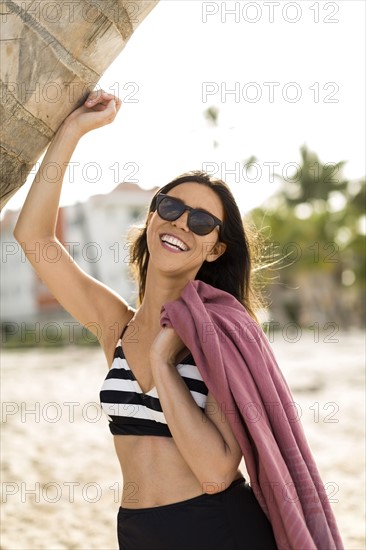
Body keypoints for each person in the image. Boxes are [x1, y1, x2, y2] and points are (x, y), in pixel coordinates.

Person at [12, 89, 280, 550]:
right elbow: (33, 235)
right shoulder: (117, 323)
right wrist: (73, 130)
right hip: (139, 533)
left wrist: (162, 362)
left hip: (217, 528)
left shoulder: (221, 334)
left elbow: (217, 471)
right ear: (154, 215)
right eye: (171, 208)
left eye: (201, 222)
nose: (180, 224)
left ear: (216, 248)